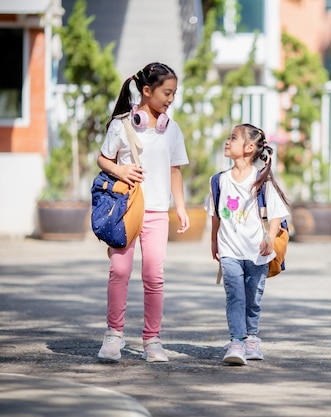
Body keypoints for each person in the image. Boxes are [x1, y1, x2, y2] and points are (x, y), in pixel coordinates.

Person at [96, 62, 190, 363]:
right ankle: (113, 335)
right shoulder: (121, 125)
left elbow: (175, 171)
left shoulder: (171, 129)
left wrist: (181, 207)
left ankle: (152, 340)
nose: (170, 99)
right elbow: (102, 159)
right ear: (146, 91)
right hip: (125, 210)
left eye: (174, 93)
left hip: (158, 211)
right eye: (166, 92)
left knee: (154, 276)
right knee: (119, 271)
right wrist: (120, 169)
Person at [206, 123, 290, 365]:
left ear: (249, 147)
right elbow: (215, 215)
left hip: (257, 253)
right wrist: (214, 241)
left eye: (233, 138)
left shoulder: (262, 179)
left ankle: (252, 338)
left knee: (253, 297)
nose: (227, 141)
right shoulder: (219, 181)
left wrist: (269, 238)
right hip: (230, 250)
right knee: (235, 296)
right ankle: (237, 341)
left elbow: (276, 214)